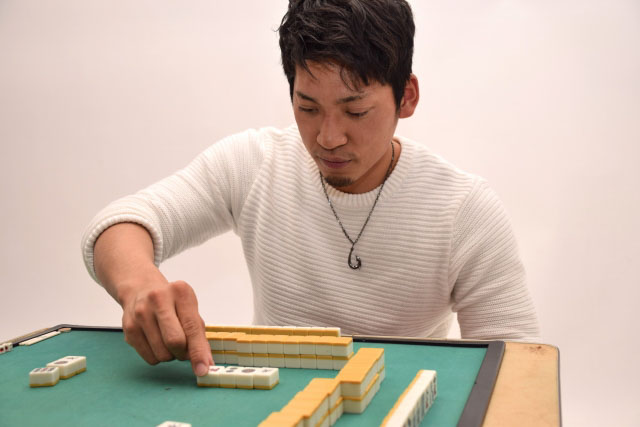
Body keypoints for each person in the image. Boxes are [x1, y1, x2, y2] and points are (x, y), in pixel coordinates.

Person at [82, 0, 540, 377]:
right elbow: (118, 226)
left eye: (355, 111)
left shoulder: (464, 209)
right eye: (308, 107)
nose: (328, 138)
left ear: (407, 97)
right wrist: (140, 284)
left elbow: (517, 367)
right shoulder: (256, 163)